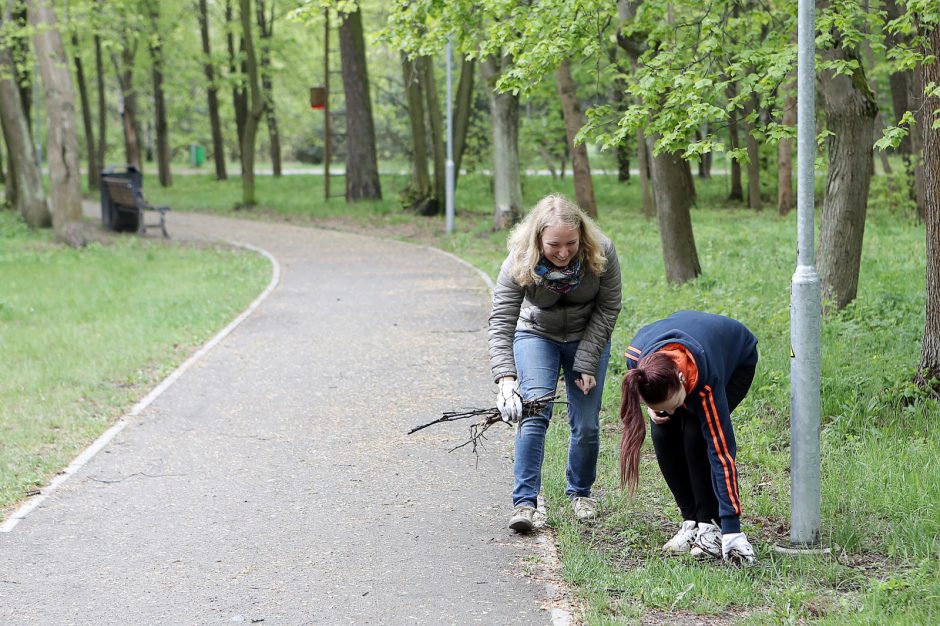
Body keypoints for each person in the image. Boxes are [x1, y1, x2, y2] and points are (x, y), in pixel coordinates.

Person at [488, 194, 622, 533]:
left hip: (586, 336)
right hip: (536, 335)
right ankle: (525, 503)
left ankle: (580, 492)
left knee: (588, 423)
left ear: (582, 237)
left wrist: (587, 362)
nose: (563, 253)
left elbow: (608, 308)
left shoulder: (601, 252)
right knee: (533, 413)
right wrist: (505, 379)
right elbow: (502, 319)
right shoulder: (519, 258)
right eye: (554, 245)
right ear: (537, 240)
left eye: (571, 244)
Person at [618, 310, 759, 564]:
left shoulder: (706, 382)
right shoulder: (637, 361)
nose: (671, 411)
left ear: (682, 380)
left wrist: (732, 529)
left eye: (674, 402)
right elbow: (659, 399)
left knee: (696, 433)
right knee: (662, 431)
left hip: (736, 359)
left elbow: (723, 453)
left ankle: (712, 526)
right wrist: (653, 407)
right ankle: (691, 521)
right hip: (679, 354)